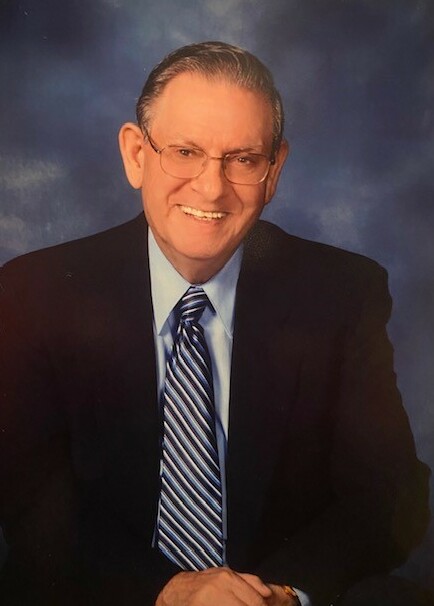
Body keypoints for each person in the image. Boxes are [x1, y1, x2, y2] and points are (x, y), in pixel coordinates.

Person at [0, 41, 430, 606]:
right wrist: (168, 591)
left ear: (274, 170)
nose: (211, 188)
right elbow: (26, 496)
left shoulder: (342, 293)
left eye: (243, 160)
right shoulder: (36, 292)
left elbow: (387, 496)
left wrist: (279, 594)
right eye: (185, 152)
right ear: (136, 154)